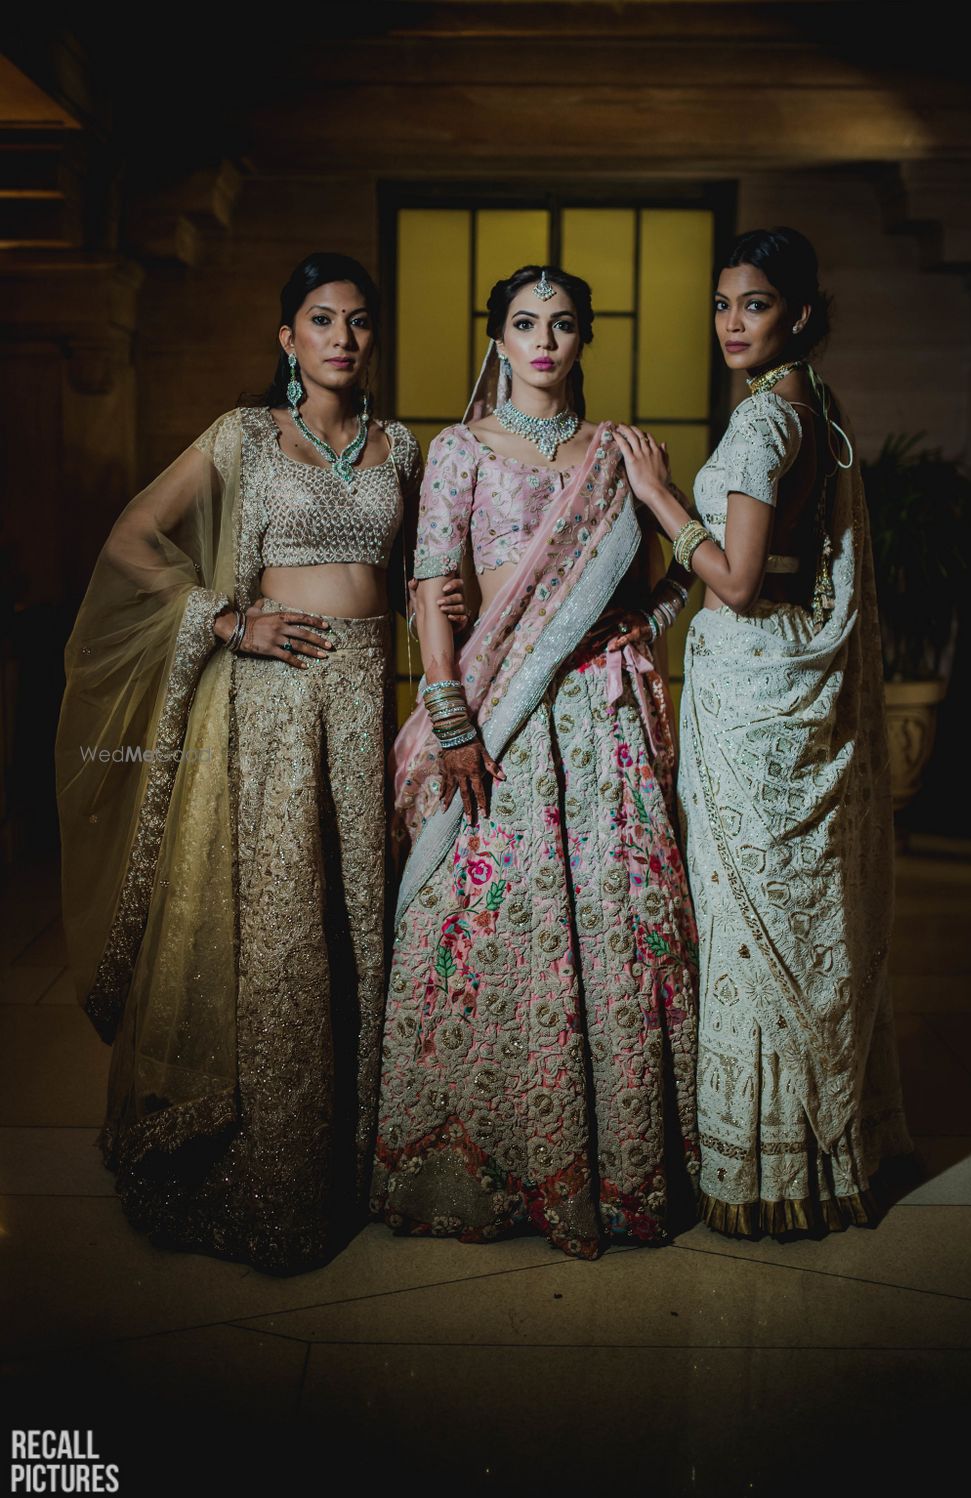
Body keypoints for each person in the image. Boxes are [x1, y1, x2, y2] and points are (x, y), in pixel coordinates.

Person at [56, 252, 466, 1274]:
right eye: (321, 319)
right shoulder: (244, 436)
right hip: (272, 710)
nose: (342, 337)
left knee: (352, 918)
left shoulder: (400, 446)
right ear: (287, 338)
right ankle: (268, 1179)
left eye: (359, 321)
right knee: (281, 933)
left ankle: (346, 1161)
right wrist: (230, 619)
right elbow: (131, 538)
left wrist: (448, 608)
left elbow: (416, 569)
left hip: (363, 705)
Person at [371, 265, 699, 1260]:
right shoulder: (460, 449)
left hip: (602, 716)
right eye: (525, 324)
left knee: (617, 920)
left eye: (562, 324)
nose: (544, 340)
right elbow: (433, 589)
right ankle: (480, 1156)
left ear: (584, 338)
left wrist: (637, 620)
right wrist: (451, 716)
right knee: (482, 912)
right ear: (498, 340)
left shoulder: (621, 452)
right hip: (496, 715)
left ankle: (620, 1164)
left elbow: (685, 571)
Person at [614, 226, 912, 1236]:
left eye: (752, 304)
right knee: (790, 913)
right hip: (791, 689)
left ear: (796, 315)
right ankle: (824, 1158)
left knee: (748, 923)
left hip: (753, 694)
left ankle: (766, 1178)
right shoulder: (814, 409)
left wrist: (657, 495)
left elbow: (736, 584)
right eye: (720, 304)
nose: (731, 323)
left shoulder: (760, 427)